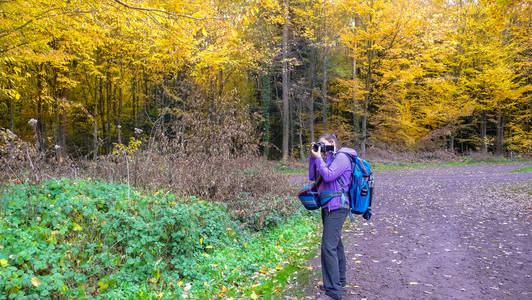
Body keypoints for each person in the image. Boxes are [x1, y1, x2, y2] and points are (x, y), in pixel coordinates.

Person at [309, 134, 357, 300]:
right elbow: (313, 177)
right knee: (335, 245)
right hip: (328, 205)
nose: (321, 147)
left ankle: (334, 291)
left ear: (331, 143)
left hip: (338, 206)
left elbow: (329, 175)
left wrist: (320, 159)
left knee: (328, 247)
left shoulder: (342, 158)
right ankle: (340, 282)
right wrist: (314, 157)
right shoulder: (330, 158)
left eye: (323, 144)